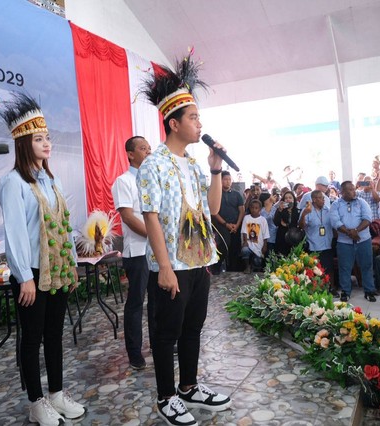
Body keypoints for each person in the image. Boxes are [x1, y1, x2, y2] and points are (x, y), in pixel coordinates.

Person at [139, 52, 232, 426]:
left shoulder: (194, 164)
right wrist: (164, 267)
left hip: (198, 263)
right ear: (174, 123)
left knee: (193, 328)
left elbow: (211, 209)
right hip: (172, 266)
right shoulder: (154, 164)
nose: (199, 124)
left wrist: (215, 170)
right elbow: (151, 218)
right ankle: (166, 396)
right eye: (193, 117)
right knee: (166, 333)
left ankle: (190, 386)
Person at [0, 93, 85, 425]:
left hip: (58, 270)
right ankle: (36, 401)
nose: (46, 142)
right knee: (31, 338)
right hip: (32, 273)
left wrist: (72, 262)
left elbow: (63, 225)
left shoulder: (53, 180)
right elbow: (16, 233)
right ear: (23, 142)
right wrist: (24, 276)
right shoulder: (13, 183)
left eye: (47, 137)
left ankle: (58, 395)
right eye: (38, 138)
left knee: (55, 335)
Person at [112, 136, 152, 370]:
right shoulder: (123, 181)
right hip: (137, 251)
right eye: (142, 148)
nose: (148, 152)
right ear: (130, 154)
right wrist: (155, 236)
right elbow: (128, 216)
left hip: (157, 251)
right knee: (136, 302)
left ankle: (160, 341)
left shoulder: (152, 181)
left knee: (159, 300)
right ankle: (134, 352)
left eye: (149, 148)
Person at [330, 181, 378, 302]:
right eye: (350, 190)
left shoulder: (362, 202)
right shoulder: (336, 205)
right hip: (344, 242)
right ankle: (346, 292)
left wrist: (356, 231)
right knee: (345, 267)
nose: (354, 191)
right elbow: (335, 222)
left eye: (354, 189)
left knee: (367, 266)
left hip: (363, 240)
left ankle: (369, 291)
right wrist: (349, 233)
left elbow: (368, 218)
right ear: (342, 192)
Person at [298, 189, 335, 292]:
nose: (323, 200)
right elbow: (301, 226)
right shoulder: (308, 210)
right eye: (321, 198)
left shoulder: (327, 210)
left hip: (327, 244)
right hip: (314, 245)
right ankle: (317, 289)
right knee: (316, 270)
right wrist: (304, 214)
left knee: (329, 268)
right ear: (314, 199)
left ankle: (331, 287)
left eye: (323, 198)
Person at [211, 170, 245, 273]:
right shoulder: (216, 194)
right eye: (225, 179)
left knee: (235, 248)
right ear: (220, 180)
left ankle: (234, 270)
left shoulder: (237, 194)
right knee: (223, 246)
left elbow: (242, 210)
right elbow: (214, 212)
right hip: (221, 226)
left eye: (229, 179)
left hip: (235, 226)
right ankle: (216, 267)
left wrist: (237, 225)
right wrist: (226, 224)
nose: (228, 181)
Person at [241, 199, 270, 273]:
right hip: (249, 242)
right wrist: (245, 241)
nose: (254, 210)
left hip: (259, 244)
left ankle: (253, 267)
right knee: (245, 250)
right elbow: (244, 231)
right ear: (250, 208)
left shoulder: (263, 220)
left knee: (258, 261)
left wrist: (265, 245)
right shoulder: (246, 218)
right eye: (252, 208)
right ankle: (247, 267)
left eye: (256, 208)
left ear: (260, 209)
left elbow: (265, 234)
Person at [273, 190, 302, 256]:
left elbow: (298, 224)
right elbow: (276, 223)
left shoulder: (297, 211)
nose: (288, 199)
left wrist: (286, 224)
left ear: (293, 200)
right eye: (286, 198)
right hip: (282, 237)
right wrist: (279, 210)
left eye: (290, 198)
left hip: (294, 238)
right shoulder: (280, 210)